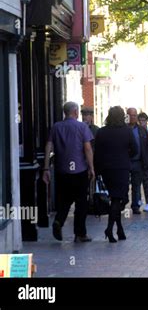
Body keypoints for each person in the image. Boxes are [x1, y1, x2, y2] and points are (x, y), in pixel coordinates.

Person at [42, 102, 95, 242]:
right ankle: (80, 234)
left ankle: (58, 220)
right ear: (76, 112)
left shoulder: (56, 126)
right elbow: (88, 148)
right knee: (81, 202)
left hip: (62, 170)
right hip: (80, 170)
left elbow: (48, 146)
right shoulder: (82, 127)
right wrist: (91, 167)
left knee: (64, 199)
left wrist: (46, 168)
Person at [94, 106, 138, 242]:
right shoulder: (127, 131)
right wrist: (125, 156)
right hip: (122, 169)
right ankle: (110, 229)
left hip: (107, 169)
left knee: (115, 199)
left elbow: (97, 153)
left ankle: (118, 229)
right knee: (118, 199)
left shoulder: (102, 132)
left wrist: (97, 170)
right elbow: (135, 150)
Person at [127, 108, 148, 214]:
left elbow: (146, 147)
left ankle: (135, 206)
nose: (133, 117)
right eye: (131, 115)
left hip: (138, 161)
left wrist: (146, 161)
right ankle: (122, 203)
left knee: (136, 185)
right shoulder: (123, 129)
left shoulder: (142, 130)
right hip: (125, 161)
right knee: (124, 185)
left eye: (134, 115)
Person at [138, 112, 148, 212]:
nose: (142, 123)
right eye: (140, 121)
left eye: (143, 120)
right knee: (137, 182)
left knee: (147, 182)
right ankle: (138, 200)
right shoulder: (135, 132)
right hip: (138, 161)